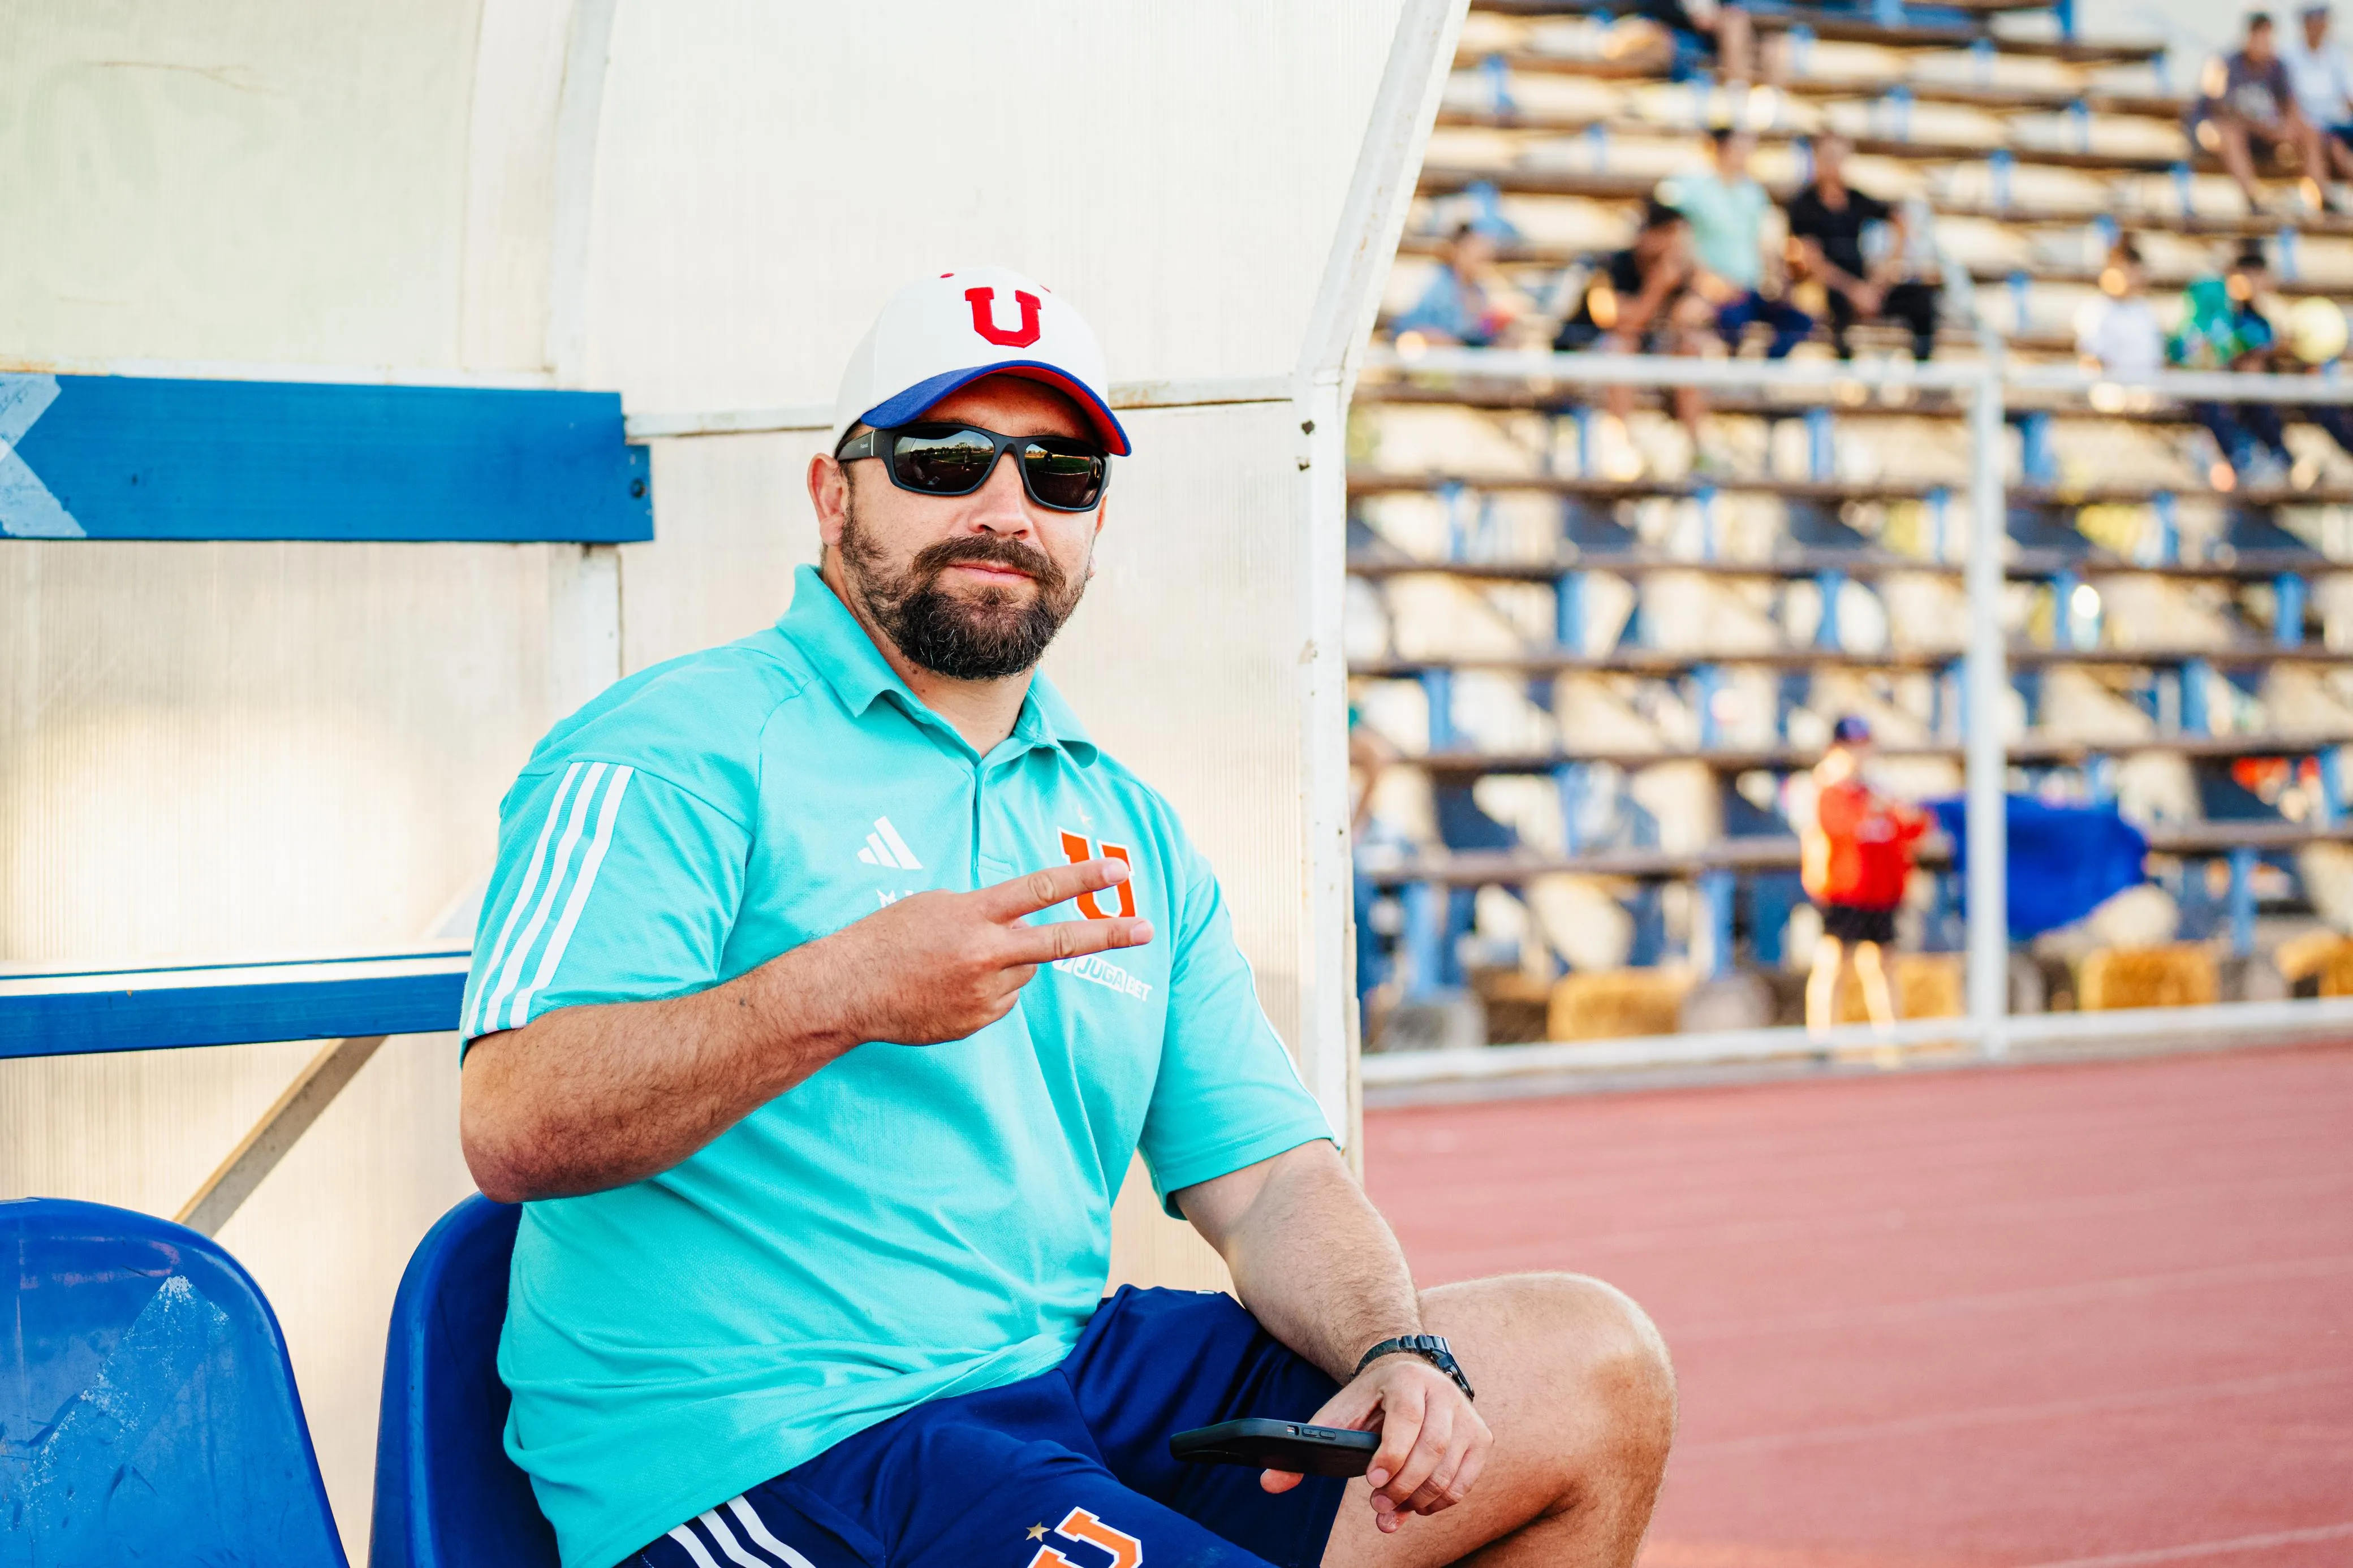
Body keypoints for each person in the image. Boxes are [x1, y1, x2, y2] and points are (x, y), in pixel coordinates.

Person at [458, 266, 1677, 1568]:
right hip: (777, 1437)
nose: (1005, 509)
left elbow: (1267, 1183)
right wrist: (840, 992)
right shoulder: (676, 745)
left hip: (1054, 1375)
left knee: (1586, 1370)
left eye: (1060, 474)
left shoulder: (1126, 822)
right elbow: (513, 1121)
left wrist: (1395, 1348)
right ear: (831, 490)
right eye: (943, 458)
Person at [1800, 716, 1928, 1038]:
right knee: (1833, 964)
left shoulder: (1878, 789)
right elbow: (1838, 829)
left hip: (1880, 890)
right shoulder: (1827, 789)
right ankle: (1822, 1040)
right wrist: (1870, 805)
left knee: (1884, 966)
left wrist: (1896, 809)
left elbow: (1914, 827)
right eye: (1851, 748)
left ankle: (1891, 1038)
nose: (1859, 755)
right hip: (1844, 891)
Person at [1555, 198, 1713, 447]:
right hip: (1585, 353)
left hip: (1645, 355)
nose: (1676, 247)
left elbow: (1691, 320)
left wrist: (1692, 299)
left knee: (1690, 349)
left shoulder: (1678, 274)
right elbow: (1620, 323)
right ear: (1649, 235)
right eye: (1669, 235)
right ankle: (1621, 444)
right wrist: (1657, 288)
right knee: (1621, 348)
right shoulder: (1609, 268)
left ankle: (1698, 449)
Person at [1783, 133, 1942, 361]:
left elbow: (1899, 220)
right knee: (1832, 306)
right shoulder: (1803, 206)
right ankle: (1843, 371)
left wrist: (1881, 280)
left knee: (1921, 300)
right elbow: (1811, 261)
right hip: (1832, 286)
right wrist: (1854, 290)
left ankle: (1923, 370)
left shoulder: (1856, 199)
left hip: (1864, 284)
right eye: (1828, 157)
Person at [1661, 128, 1813, 360]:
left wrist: (1780, 280)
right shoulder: (1690, 187)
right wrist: (1704, 279)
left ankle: (1762, 373)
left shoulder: (1752, 192)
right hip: (1712, 292)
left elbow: (1764, 242)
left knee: (1798, 322)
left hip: (1748, 290)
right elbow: (1675, 235)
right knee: (1722, 323)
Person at [2190, 12, 2329, 213]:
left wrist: (2286, 128)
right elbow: (2221, 111)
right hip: (2220, 136)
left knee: (2309, 131)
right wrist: (2266, 130)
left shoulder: (2277, 66)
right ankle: (2253, 200)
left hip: (2261, 136)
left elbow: (2291, 105)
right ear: (2249, 37)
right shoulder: (2224, 64)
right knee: (2229, 133)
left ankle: (2320, 199)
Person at [1391, 223, 1522, 348]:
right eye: (1476, 251)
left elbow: (1479, 332)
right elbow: (1407, 329)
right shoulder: (1434, 284)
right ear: (1458, 250)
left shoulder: (1479, 291)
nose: (1483, 258)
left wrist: (1498, 325)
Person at [2279, 3, 2353, 198]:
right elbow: (2289, 100)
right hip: (2308, 130)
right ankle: (2325, 201)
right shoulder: (2289, 56)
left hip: (2336, 127)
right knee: (2334, 150)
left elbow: (2347, 97)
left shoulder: (2337, 55)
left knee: (2339, 150)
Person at [2074, 237, 2166, 380]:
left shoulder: (2144, 309)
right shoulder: (2096, 310)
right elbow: (2091, 361)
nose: (2134, 279)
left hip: (2148, 390)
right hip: (2112, 392)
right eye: (2128, 272)